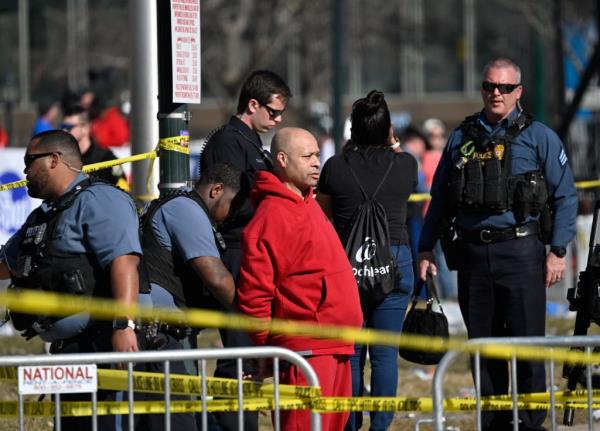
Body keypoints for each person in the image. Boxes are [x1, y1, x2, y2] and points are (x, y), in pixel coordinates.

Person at [418, 58, 578, 431]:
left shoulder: (539, 137)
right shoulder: (461, 137)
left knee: (528, 349)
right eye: (489, 86)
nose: (496, 94)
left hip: (521, 253)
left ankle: (532, 422)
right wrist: (425, 248)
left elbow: (566, 197)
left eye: (505, 88)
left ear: (518, 92)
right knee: (483, 350)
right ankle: (492, 424)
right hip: (473, 256)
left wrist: (556, 251)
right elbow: (440, 197)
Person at [0, 130, 143, 430]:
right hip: (69, 354)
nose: (25, 170)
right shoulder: (43, 216)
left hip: (102, 345)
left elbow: (124, 261)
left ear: (54, 160)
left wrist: (123, 325)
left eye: (30, 161)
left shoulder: (100, 200)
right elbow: (6, 264)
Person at [237, 127, 362, 431]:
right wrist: (265, 349)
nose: (316, 163)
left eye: (318, 155)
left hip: (337, 342)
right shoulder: (271, 214)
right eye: (307, 156)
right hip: (307, 348)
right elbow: (254, 294)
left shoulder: (308, 202)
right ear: (281, 159)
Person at [317, 90, 418, 431]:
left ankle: (349, 422)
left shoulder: (335, 168)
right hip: (395, 261)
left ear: (353, 131)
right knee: (385, 354)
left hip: (348, 267)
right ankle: (381, 425)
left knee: (352, 354)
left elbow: (325, 215)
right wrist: (393, 141)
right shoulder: (404, 165)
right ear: (388, 129)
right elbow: (400, 158)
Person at [200, 70, 291, 430]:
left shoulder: (253, 143)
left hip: (256, 252)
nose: (278, 120)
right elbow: (229, 203)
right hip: (236, 252)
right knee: (240, 352)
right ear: (253, 104)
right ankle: (232, 424)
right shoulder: (228, 143)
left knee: (252, 353)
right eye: (274, 112)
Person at [138, 163, 245, 431]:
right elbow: (217, 278)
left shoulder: (183, 207)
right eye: (232, 204)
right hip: (156, 336)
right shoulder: (185, 209)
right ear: (216, 190)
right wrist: (251, 314)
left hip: (164, 332)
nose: (231, 214)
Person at [421, 118, 458, 300]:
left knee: (443, 259)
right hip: (428, 214)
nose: (437, 139)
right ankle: (440, 295)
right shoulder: (424, 157)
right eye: (432, 135)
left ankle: (449, 295)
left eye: (440, 135)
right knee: (433, 259)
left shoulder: (448, 155)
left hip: (443, 214)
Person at [61, 104, 128, 189]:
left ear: (85, 128)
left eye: (69, 127)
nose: (64, 131)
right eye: (62, 126)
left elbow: (123, 190)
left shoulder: (106, 159)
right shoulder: (61, 159)